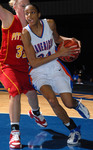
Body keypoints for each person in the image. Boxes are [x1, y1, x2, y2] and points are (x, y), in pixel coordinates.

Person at [21, 3, 90, 145]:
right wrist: (58, 53)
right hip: (38, 71)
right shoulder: (25, 33)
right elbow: (33, 62)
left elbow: (57, 39)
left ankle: (76, 104)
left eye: (32, 12)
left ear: (39, 14)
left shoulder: (50, 24)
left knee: (68, 103)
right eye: (26, 14)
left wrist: (70, 39)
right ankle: (73, 129)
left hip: (54, 67)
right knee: (52, 100)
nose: (29, 16)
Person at [0, 1, 48, 149]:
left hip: (23, 67)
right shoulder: (9, 18)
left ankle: (35, 112)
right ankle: (15, 133)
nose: (26, 8)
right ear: (14, 7)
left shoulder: (32, 26)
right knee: (15, 93)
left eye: (28, 5)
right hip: (7, 67)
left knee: (32, 93)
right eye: (22, 5)